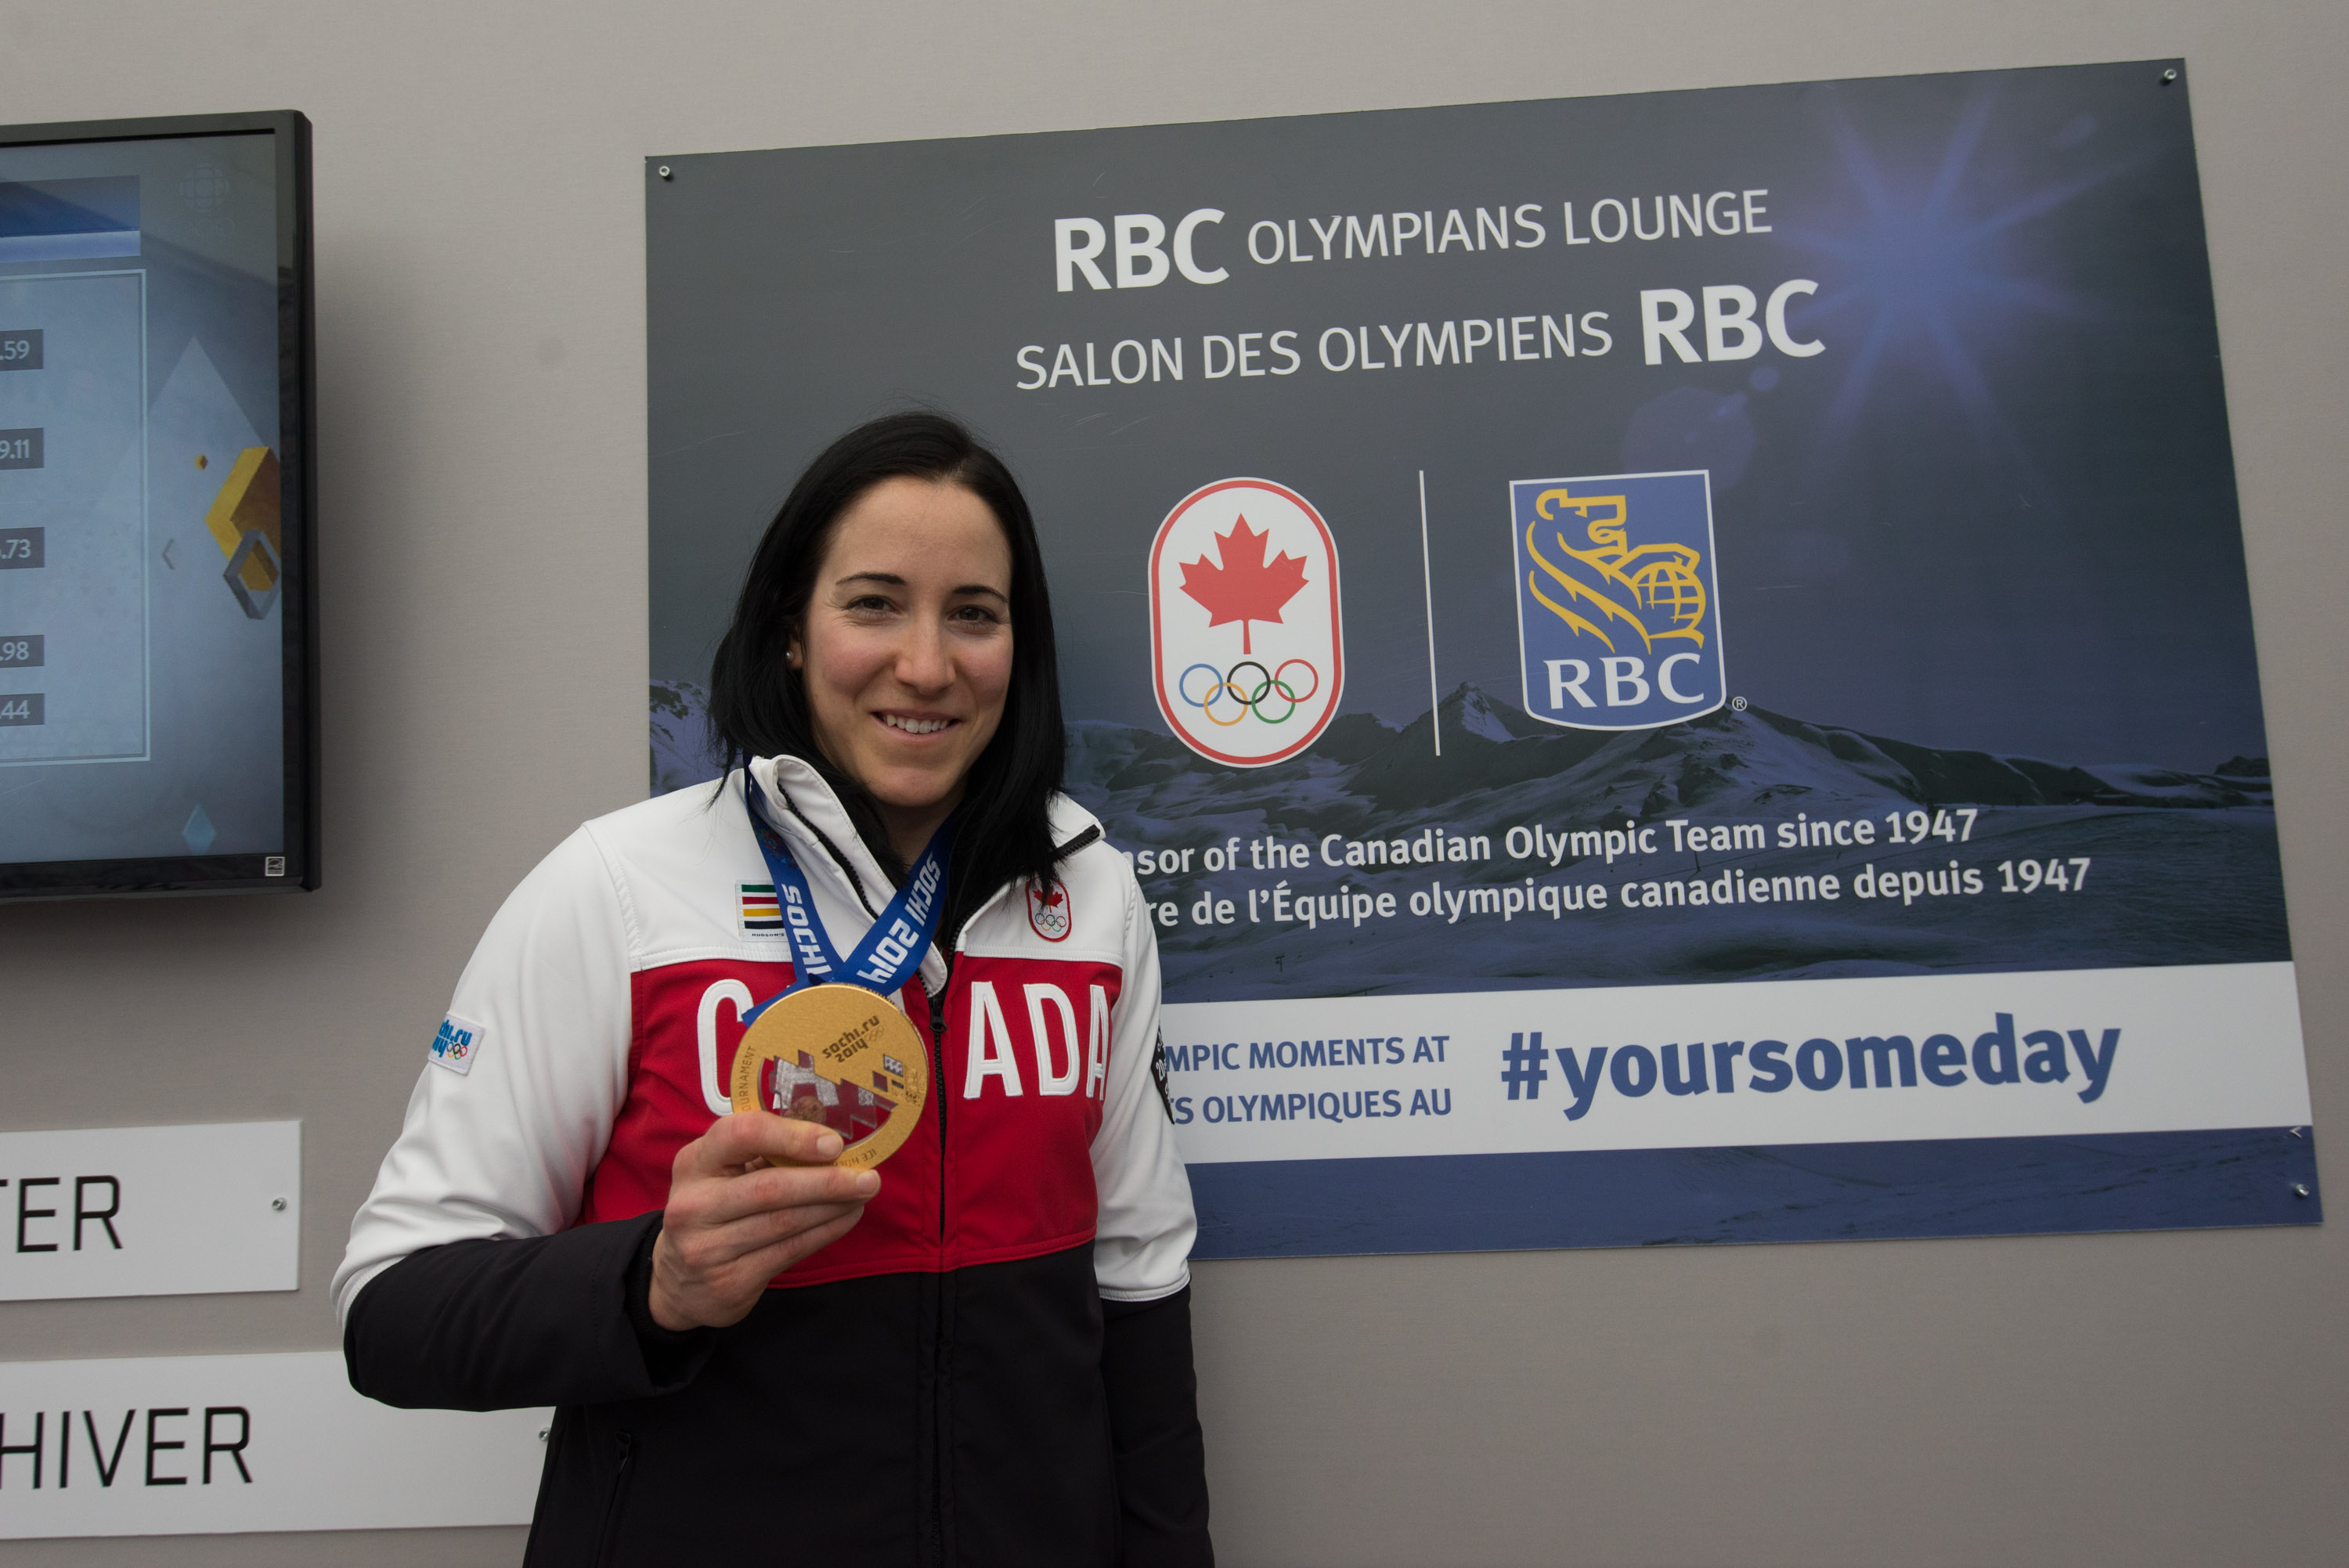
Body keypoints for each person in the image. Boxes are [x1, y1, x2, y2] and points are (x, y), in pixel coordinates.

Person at [334, 412, 1212, 1566]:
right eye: (874, 603)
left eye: (974, 616)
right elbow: (390, 1316)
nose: (928, 665)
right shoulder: (619, 887)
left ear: (1020, 648)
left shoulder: (1091, 892)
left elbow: (1138, 1288)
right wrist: (650, 1283)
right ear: (790, 632)